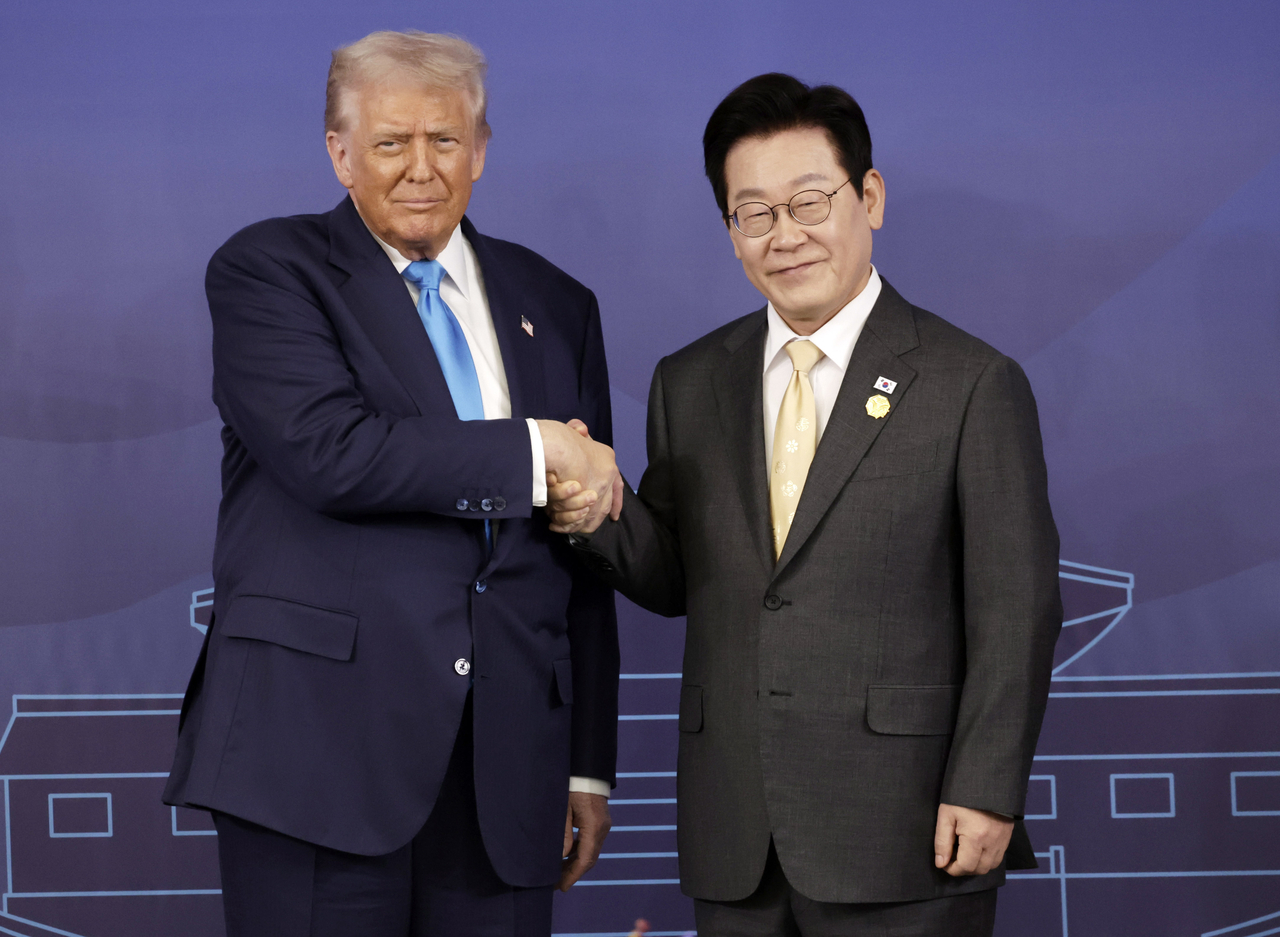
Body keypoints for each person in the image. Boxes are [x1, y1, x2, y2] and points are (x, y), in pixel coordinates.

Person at [547, 73, 1062, 936]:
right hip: (737, 833)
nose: (785, 236)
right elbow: (681, 576)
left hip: (906, 834)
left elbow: (1018, 606)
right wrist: (597, 504)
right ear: (731, 231)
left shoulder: (972, 382)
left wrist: (985, 786)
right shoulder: (690, 380)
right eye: (755, 213)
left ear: (871, 198)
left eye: (810, 202)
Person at [164, 30, 625, 937]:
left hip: (506, 775)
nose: (422, 167)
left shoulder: (558, 302)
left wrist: (585, 765)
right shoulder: (269, 272)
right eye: (390, 142)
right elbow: (332, 451)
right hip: (316, 763)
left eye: (445, 140)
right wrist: (538, 453)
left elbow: (585, 549)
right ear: (339, 153)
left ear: (481, 148)